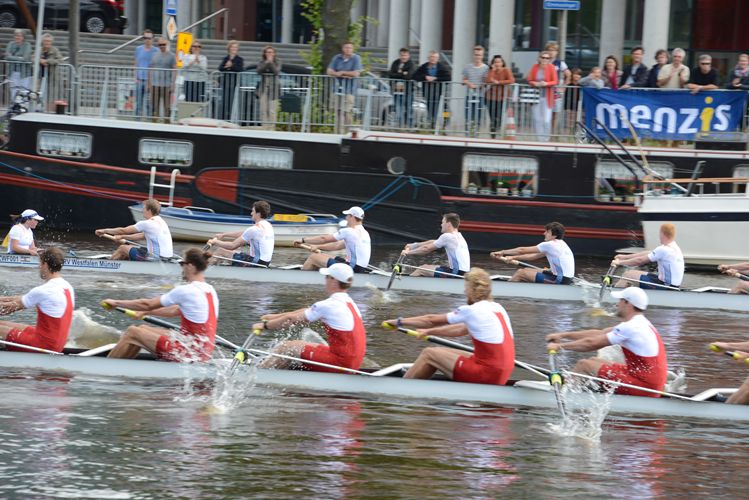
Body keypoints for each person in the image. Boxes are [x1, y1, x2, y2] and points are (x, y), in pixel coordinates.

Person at [385, 268, 515, 385]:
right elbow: (460, 329)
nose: (465, 291)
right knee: (440, 352)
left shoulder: (471, 310)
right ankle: (420, 381)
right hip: (502, 373)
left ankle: (403, 388)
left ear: (473, 289)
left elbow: (430, 320)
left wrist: (399, 322)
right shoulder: (498, 308)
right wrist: (429, 332)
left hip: (487, 374)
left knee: (429, 353)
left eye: (466, 287)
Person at [546, 287, 667, 398]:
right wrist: (562, 335)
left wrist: (560, 346)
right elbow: (599, 334)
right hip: (647, 381)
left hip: (645, 387)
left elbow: (591, 344)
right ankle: (577, 384)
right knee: (594, 361)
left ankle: (563, 394)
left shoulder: (632, 327)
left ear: (627, 303)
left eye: (620, 300)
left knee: (584, 364)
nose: (617, 304)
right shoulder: (640, 323)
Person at [103, 248, 218, 362]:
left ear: (191, 266)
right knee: (142, 329)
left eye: (182, 263)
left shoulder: (186, 290)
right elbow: (175, 310)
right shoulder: (210, 290)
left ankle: (105, 369)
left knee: (132, 332)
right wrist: (146, 312)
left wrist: (116, 303)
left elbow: (147, 304)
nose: (181, 268)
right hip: (201, 350)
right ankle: (124, 366)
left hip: (188, 353)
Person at [254, 263, 366, 372]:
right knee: (299, 344)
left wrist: (264, 326)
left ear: (334, 280)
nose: (325, 280)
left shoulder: (329, 304)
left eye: (327, 277)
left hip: (341, 363)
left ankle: (258, 374)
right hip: (352, 361)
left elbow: (292, 319)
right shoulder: (349, 302)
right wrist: (275, 317)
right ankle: (277, 373)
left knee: (286, 347)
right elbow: (304, 312)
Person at [0, 247, 74, 353]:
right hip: (56, 343)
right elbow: (20, 299)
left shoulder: (43, 290)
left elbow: (10, 308)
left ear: (45, 264)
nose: (39, 267)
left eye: (40, 263)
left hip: (43, 346)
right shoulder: (67, 287)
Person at [490, 221, 574, 284]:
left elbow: (521, 250)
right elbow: (532, 256)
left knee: (521, 273)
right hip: (565, 278)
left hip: (559, 279)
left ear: (554, 235)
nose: (544, 233)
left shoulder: (550, 245)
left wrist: (502, 252)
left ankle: (506, 290)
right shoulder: (561, 244)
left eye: (547, 232)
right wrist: (513, 257)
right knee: (526, 270)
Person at [294, 206, 371, 273]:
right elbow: (337, 245)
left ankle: (302, 279)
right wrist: (318, 247)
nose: (346, 218)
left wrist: (303, 240)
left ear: (352, 217)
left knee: (313, 257)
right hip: (359, 268)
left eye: (347, 215)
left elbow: (323, 238)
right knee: (320, 255)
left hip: (352, 268)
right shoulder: (365, 233)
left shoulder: (349, 231)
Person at [95, 198, 173, 261]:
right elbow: (141, 236)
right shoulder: (161, 222)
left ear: (149, 210)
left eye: (144, 208)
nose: (142, 210)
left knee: (122, 248)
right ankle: (122, 263)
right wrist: (123, 237)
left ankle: (108, 265)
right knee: (130, 248)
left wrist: (104, 231)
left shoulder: (147, 223)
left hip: (155, 259)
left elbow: (123, 230)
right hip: (166, 258)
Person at [611, 222, 684, 290]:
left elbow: (640, 261)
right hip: (669, 284)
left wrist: (619, 263)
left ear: (662, 234)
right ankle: (626, 295)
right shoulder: (674, 246)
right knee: (630, 273)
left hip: (666, 287)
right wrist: (625, 257)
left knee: (628, 275)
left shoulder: (664, 249)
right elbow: (647, 253)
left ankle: (613, 295)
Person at [401, 213, 470, 278]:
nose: (441, 225)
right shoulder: (459, 236)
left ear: (448, 224)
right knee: (426, 266)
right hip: (463, 273)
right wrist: (415, 245)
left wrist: (408, 252)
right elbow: (433, 242)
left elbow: (426, 249)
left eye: (443, 222)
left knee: (421, 269)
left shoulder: (447, 236)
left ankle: (406, 285)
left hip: (456, 273)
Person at [207, 200, 274, 267]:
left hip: (256, 263)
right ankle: (218, 269)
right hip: (265, 262)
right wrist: (224, 235)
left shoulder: (254, 229)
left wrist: (215, 242)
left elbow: (232, 245)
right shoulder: (268, 225)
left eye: (253, 211)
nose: (251, 213)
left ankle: (206, 270)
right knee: (237, 250)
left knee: (220, 251)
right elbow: (244, 233)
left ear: (258, 214)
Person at [326, 41, 363, 133]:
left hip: (349, 90)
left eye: (350, 48)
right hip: (337, 89)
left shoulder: (356, 58)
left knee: (346, 111)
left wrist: (342, 72)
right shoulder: (337, 58)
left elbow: (356, 73)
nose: (348, 49)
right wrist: (337, 74)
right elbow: (329, 71)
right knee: (338, 111)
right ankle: (338, 131)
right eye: (346, 47)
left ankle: (348, 131)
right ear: (343, 49)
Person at [413, 50, 451, 128]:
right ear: (428, 58)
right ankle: (432, 125)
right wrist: (425, 77)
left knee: (445, 109)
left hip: (440, 93)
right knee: (431, 109)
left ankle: (445, 123)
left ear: (438, 58)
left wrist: (435, 79)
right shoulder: (424, 67)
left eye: (435, 57)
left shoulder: (442, 67)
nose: (433, 59)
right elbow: (415, 76)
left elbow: (448, 78)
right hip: (428, 93)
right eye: (432, 57)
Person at [527, 51, 558, 142]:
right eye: (543, 57)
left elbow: (555, 81)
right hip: (536, 96)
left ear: (549, 59)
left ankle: (546, 139)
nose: (544, 59)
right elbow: (529, 80)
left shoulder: (552, 68)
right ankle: (540, 139)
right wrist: (535, 83)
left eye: (547, 58)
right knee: (537, 119)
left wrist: (546, 83)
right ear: (540, 58)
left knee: (546, 120)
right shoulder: (535, 67)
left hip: (548, 97)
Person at [484, 54, 515, 139]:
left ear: (502, 63)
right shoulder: (491, 71)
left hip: (502, 98)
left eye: (499, 62)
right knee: (492, 118)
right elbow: (488, 80)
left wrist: (499, 82)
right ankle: (493, 135)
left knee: (499, 117)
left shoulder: (506, 70)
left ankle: (496, 131)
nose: (497, 63)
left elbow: (511, 80)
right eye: (495, 62)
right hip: (490, 98)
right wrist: (493, 70)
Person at [462, 45, 489, 136]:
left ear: (482, 56)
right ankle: (467, 135)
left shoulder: (486, 68)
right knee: (468, 116)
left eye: (479, 55)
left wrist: (481, 85)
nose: (477, 57)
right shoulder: (467, 67)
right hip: (469, 95)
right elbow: (464, 79)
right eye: (476, 55)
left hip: (480, 95)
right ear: (473, 55)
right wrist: (469, 83)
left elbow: (486, 81)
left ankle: (475, 135)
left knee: (477, 117)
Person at [387, 47, 417, 128]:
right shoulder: (395, 63)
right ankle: (399, 126)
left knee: (409, 109)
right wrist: (402, 74)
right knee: (398, 108)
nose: (403, 57)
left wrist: (399, 74)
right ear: (399, 55)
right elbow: (390, 74)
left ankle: (409, 126)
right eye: (402, 55)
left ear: (408, 55)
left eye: (405, 55)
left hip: (408, 91)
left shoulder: (412, 64)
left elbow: (409, 76)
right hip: (396, 91)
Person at [149, 38, 176, 122]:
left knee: (167, 106)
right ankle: (154, 121)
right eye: (160, 45)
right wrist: (149, 83)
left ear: (167, 44)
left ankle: (167, 121)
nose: (162, 46)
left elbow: (175, 70)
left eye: (163, 44)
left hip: (166, 84)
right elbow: (151, 69)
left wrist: (173, 84)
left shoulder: (172, 56)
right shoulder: (154, 55)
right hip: (155, 84)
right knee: (154, 104)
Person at [217, 40, 244, 121]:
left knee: (232, 102)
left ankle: (231, 119)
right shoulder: (226, 58)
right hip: (225, 83)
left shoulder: (239, 59)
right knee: (224, 102)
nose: (234, 48)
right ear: (229, 48)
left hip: (234, 84)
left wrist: (231, 66)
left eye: (236, 47)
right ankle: (223, 119)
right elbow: (220, 68)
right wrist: (226, 67)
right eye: (232, 47)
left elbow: (239, 69)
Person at [257, 45, 282, 129]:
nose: (269, 54)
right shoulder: (261, 62)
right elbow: (259, 71)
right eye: (267, 52)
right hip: (263, 89)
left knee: (272, 110)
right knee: (263, 110)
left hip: (274, 89)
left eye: (271, 52)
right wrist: (267, 63)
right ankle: (264, 127)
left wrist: (270, 63)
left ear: (274, 53)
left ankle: (272, 128)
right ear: (264, 53)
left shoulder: (278, 61)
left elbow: (276, 72)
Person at [134, 29, 156, 118]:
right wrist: (135, 76)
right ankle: (137, 122)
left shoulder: (156, 50)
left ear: (153, 39)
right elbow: (136, 63)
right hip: (140, 79)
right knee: (138, 103)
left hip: (151, 81)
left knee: (149, 104)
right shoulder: (138, 49)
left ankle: (149, 122)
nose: (147, 40)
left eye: (149, 38)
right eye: (145, 38)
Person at [5, 29, 32, 99]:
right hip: (13, 72)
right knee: (13, 90)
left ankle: (23, 107)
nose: (17, 37)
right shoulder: (11, 44)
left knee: (24, 91)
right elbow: (7, 57)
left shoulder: (27, 45)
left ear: (23, 37)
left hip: (24, 73)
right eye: (16, 36)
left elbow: (25, 58)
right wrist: (20, 57)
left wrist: (12, 57)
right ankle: (15, 107)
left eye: (19, 36)